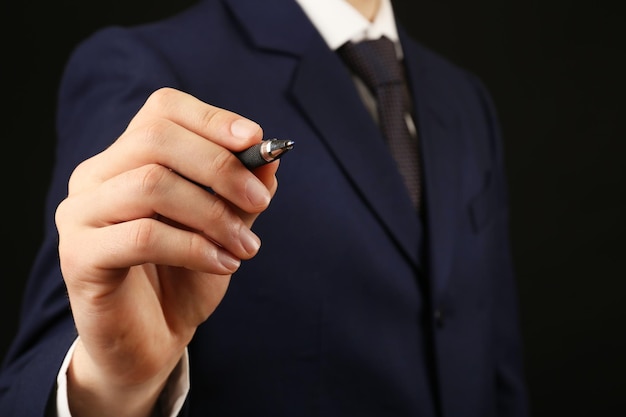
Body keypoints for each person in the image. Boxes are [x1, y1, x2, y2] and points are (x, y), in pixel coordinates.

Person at [0, 0, 530, 416]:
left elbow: (495, 358)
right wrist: (115, 386)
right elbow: (51, 353)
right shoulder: (148, 67)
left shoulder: (465, 99)